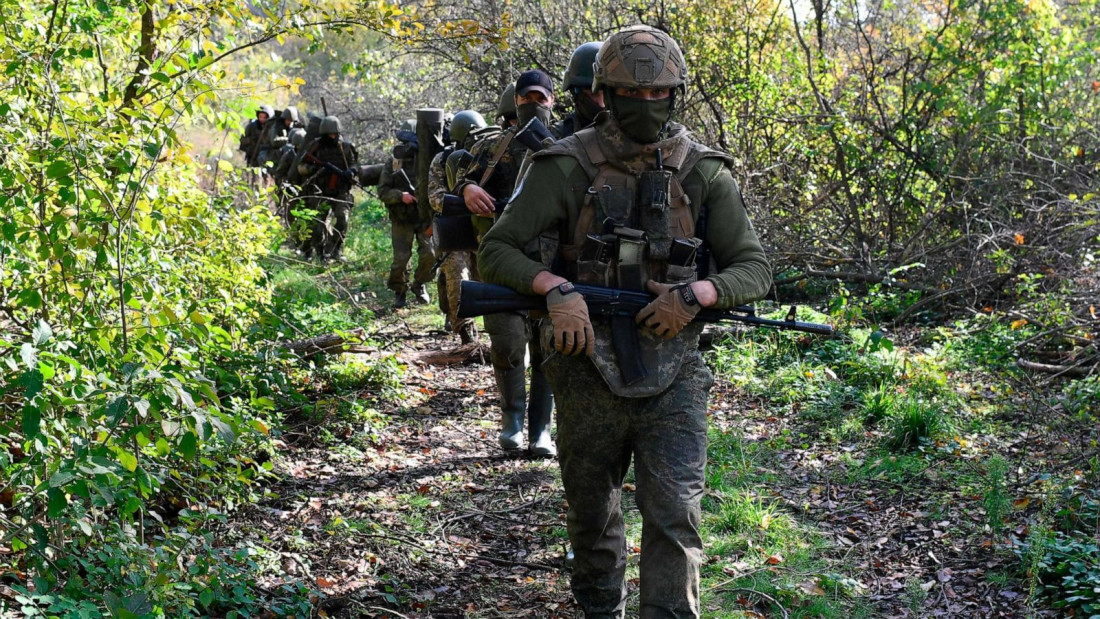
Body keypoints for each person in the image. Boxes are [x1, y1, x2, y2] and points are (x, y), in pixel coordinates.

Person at [478, 26, 773, 617]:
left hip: (676, 370)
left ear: (675, 94)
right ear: (604, 94)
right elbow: (497, 250)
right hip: (583, 365)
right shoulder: (563, 166)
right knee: (593, 516)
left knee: (675, 517)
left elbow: (755, 267)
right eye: (631, 94)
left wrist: (699, 293)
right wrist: (555, 289)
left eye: (658, 93)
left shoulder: (702, 172)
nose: (646, 105)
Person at [455, 72, 557, 457]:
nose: (534, 104)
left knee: (549, 348)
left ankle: (541, 429)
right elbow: (460, 178)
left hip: (552, 262)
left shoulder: (565, 143)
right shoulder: (493, 146)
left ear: (552, 100)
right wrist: (469, 189)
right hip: (501, 260)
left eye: (540, 97)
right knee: (508, 344)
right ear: (515, 101)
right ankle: (512, 421)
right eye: (526, 98)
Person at [429, 109, 488, 344]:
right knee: (458, 279)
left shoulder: (489, 156)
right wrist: (465, 201)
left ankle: (497, 329)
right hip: (455, 230)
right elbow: (435, 196)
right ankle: (466, 333)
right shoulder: (443, 160)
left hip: (483, 229)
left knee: (485, 279)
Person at [379, 119, 434, 308]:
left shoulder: (429, 160)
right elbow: (382, 191)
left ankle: (419, 284)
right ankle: (399, 291)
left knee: (430, 254)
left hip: (424, 218)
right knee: (401, 260)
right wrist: (400, 196)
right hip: (402, 219)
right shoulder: (394, 163)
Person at [295, 115, 358, 262]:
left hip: (341, 190)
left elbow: (355, 164)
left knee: (342, 220)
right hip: (320, 190)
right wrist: (315, 169)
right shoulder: (315, 146)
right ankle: (321, 252)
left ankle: (335, 249)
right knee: (318, 226)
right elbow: (301, 167)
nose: (333, 137)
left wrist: (351, 171)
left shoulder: (345, 147)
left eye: (335, 134)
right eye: (329, 134)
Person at [557, 42, 605, 138]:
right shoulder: (558, 136)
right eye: (594, 94)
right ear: (575, 93)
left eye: (607, 94)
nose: (602, 104)